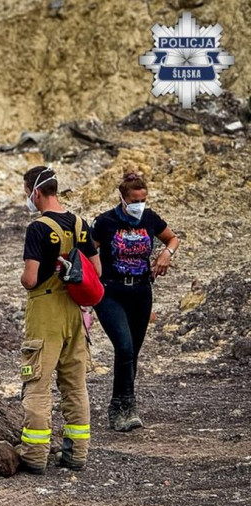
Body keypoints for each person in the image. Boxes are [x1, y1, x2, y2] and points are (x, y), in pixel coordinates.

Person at [19, 166, 102, 473]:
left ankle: (34, 455)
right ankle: (76, 453)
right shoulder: (81, 223)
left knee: (37, 384)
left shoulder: (38, 228)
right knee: (75, 385)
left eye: (26, 192)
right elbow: (98, 271)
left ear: (36, 192)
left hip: (46, 311)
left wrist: (29, 277)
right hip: (76, 312)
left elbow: (30, 279)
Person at [91, 170, 180, 432]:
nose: (139, 205)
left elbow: (173, 238)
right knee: (125, 347)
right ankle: (123, 406)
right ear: (122, 198)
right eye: (134, 201)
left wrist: (166, 254)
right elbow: (88, 250)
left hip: (141, 291)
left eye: (143, 200)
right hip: (111, 292)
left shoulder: (150, 218)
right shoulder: (105, 222)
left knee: (132, 354)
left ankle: (122, 405)